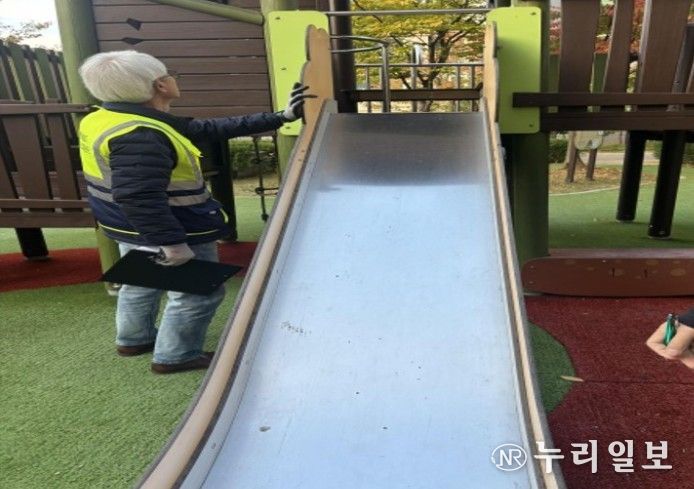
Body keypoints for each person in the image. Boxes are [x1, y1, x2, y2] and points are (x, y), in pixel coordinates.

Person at [78, 50, 311, 374]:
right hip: (176, 227)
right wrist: (172, 243)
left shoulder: (107, 119)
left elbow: (208, 129)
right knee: (198, 293)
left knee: (141, 280)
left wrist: (280, 117)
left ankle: (133, 339)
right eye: (169, 73)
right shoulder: (142, 136)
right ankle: (177, 355)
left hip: (126, 226)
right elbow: (139, 195)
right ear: (160, 85)